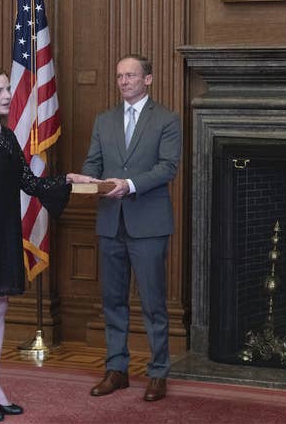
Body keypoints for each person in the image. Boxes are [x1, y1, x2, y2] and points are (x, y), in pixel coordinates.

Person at [0, 66, 91, 421]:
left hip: (4, 227)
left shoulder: (10, 136)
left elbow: (29, 182)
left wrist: (67, 180)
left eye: (7, 89)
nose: (6, 96)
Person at [80, 54, 181, 402]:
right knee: (112, 301)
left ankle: (157, 373)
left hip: (149, 224)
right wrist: (86, 178)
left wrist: (130, 184)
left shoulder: (166, 119)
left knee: (153, 303)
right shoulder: (104, 120)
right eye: (120, 76)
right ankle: (116, 370)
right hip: (110, 222)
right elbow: (93, 163)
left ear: (148, 80)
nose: (124, 82)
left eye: (131, 76)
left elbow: (168, 167)